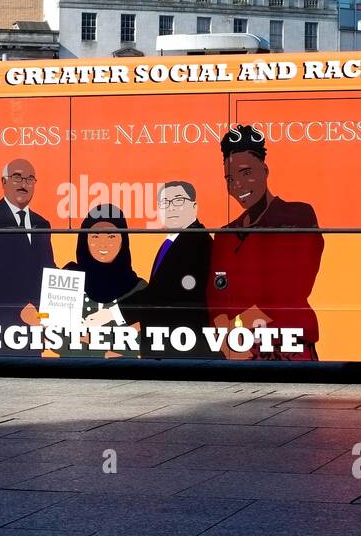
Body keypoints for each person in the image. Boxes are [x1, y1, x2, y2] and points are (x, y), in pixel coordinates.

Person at [206, 124, 323, 361]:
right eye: (230, 178)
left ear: (265, 170)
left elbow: (291, 288)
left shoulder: (297, 215)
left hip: (287, 346)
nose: (237, 185)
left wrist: (236, 331)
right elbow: (215, 295)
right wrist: (226, 340)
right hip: (239, 349)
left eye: (246, 173)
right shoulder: (225, 234)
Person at [0, 158, 54, 355]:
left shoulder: (42, 223)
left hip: (32, 330)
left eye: (30, 179)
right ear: (3, 182)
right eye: (17, 177)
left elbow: (48, 271)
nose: (24, 184)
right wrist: (22, 307)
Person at [118, 181, 216, 358]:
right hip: (168, 340)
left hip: (181, 340)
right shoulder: (172, 241)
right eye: (165, 203)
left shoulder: (195, 241)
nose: (171, 208)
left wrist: (115, 312)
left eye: (178, 201)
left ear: (194, 207)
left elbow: (162, 291)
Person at [58, 205, 146, 358]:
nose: (103, 245)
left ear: (123, 241)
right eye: (95, 236)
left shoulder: (140, 289)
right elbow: (54, 336)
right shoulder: (67, 278)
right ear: (84, 240)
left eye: (111, 236)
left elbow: (146, 337)